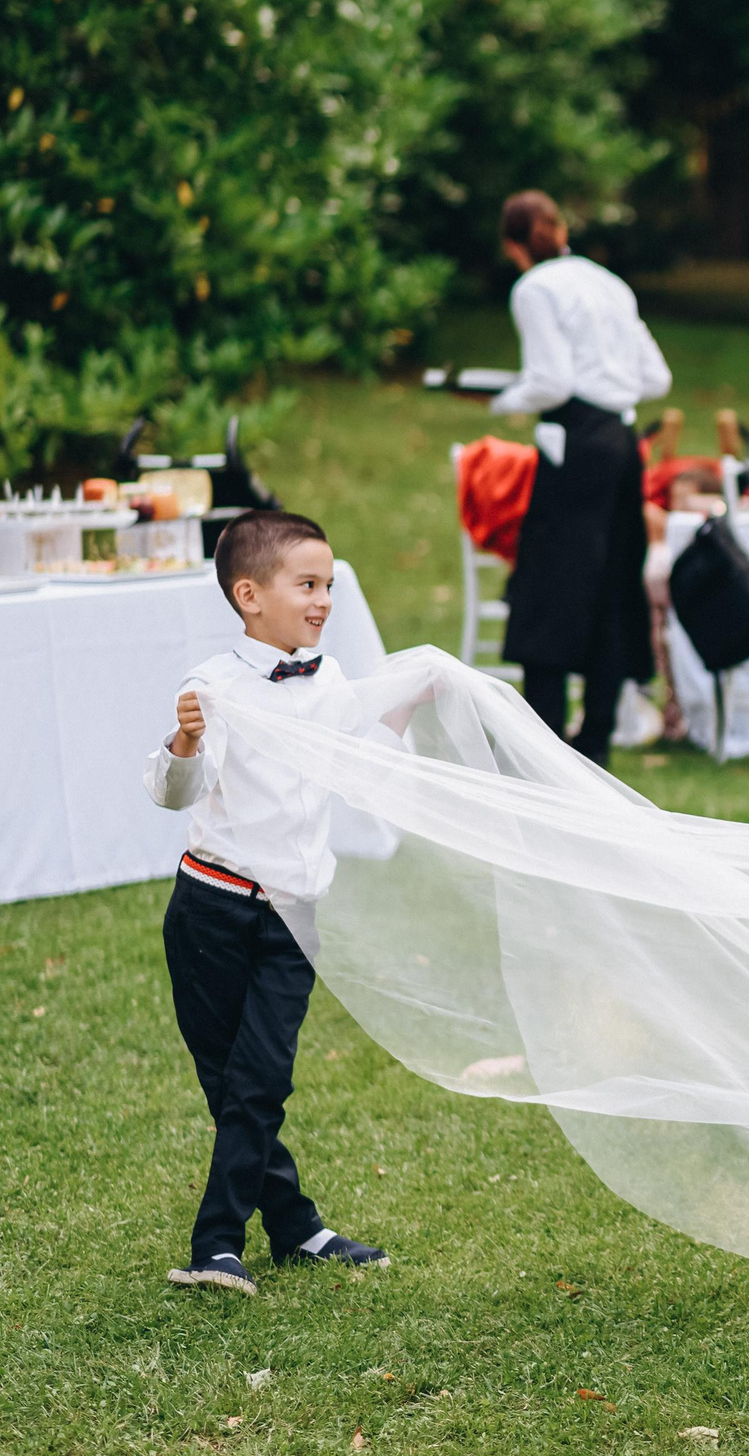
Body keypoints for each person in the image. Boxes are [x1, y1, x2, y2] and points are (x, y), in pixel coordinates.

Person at [147, 511, 393, 1293]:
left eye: (329, 584)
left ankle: (216, 1242)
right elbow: (173, 793)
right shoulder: (211, 687)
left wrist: (420, 699)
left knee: (260, 1078)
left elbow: (361, 743)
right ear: (249, 595)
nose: (324, 600)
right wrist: (184, 742)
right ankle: (296, 1228)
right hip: (211, 913)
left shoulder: (331, 681)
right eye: (308, 584)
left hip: (293, 918)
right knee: (233, 1083)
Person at [489, 190, 670, 765]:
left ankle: (545, 744)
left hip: (575, 444)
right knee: (613, 582)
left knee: (551, 585)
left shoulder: (534, 288)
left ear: (513, 246)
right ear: (561, 231)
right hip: (623, 443)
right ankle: (595, 742)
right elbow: (656, 378)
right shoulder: (609, 283)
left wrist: (501, 399)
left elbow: (551, 382)